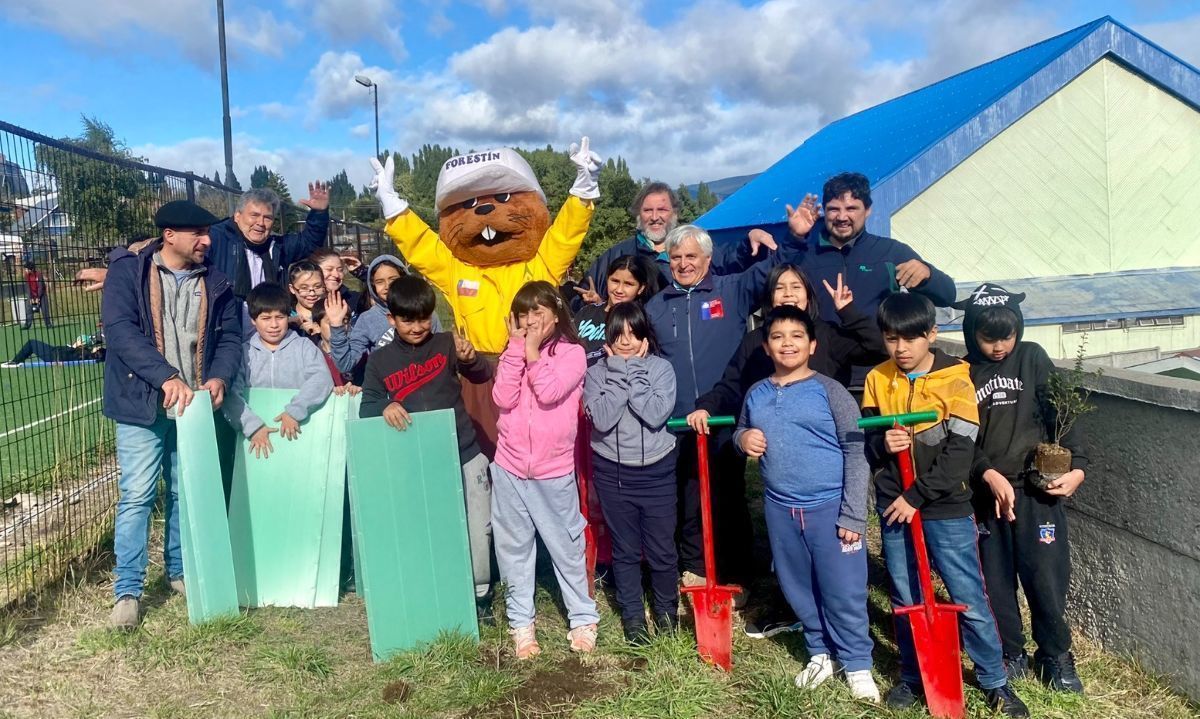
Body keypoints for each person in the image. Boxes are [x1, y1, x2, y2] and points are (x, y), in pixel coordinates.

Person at [861, 292, 1028, 717]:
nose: (901, 349)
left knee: (967, 594)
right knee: (905, 593)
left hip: (943, 506)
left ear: (931, 335)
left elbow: (961, 450)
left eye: (911, 339)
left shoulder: (956, 378)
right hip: (896, 507)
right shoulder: (877, 379)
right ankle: (913, 675)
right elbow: (867, 441)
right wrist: (883, 442)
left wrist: (916, 496)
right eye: (891, 339)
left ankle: (994, 680)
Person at [644, 218, 808, 597]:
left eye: (692, 256)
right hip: (680, 421)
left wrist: (796, 234)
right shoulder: (656, 306)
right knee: (688, 497)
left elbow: (776, 265)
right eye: (677, 257)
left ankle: (737, 573)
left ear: (707, 257)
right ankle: (695, 568)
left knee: (729, 496)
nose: (684, 263)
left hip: (726, 416)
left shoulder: (731, 289)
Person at [101, 200, 242, 629]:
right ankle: (128, 591)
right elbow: (121, 331)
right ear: (169, 236)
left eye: (207, 233)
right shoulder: (129, 273)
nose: (206, 241)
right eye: (198, 234)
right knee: (138, 496)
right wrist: (165, 376)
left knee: (185, 492)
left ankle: (179, 572)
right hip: (140, 403)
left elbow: (232, 338)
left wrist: (218, 376)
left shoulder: (217, 282)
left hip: (193, 405)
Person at [734, 305, 879, 702]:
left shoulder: (830, 392)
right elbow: (742, 428)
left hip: (830, 507)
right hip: (781, 508)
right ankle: (819, 652)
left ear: (812, 345)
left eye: (797, 336)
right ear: (766, 346)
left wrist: (852, 512)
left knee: (843, 588)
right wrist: (742, 439)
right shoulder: (757, 392)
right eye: (778, 337)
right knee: (797, 585)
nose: (787, 344)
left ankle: (857, 662)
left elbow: (855, 453)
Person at [959, 283, 1087, 693]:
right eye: (988, 338)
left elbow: (1063, 412)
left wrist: (1078, 467)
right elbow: (960, 440)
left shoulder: (1032, 358)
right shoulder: (962, 372)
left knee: (1045, 577)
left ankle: (1054, 654)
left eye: (1007, 336)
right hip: (988, 495)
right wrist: (986, 473)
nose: (999, 347)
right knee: (994, 581)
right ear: (971, 333)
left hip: (1036, 494)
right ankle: (1009, 652)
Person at [358, 275, 496, 616]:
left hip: (465, 452)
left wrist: (470, 358)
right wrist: (384, 406)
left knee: (479, 527)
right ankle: (437, 588)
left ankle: (481, 595)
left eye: (423, 318)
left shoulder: (448, 343)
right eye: (407, 319)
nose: (417, 326)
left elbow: (482, 375)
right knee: (431, 528)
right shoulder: (380, 361)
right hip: (417, 460)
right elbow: (367, 406)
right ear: (391, 319)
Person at [491, 281, 598, 658]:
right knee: (514, 547)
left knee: (565, 546)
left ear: (556, 314)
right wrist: (517, 352)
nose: (531, 319)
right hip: (509, 467)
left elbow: (551, 392)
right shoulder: (512, 353)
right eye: (524, 313)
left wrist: (533, 353)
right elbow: (502, 397)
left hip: (553, 470)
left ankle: (583, 617)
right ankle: (522, 624)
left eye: (539, 311)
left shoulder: (573, 354)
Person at [582, 302, 678, 644]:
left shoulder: (662, 370)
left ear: (644, 336)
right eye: (618, 333)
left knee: (662, 550)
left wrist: (634, 371)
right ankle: (633, 617)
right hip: (613, 472)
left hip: (657, 470)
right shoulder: (594, 373)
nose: (625, 340)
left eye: (633, 333)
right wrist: (618, 373)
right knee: (624, 549)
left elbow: (654, 414)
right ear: (608, 336)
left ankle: (667, 613)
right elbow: (604, 419)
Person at [751, 172, 956, 327]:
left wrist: (927, 275)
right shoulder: (801, 256)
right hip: (817, 370)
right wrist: (794, 237)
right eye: (833, 209)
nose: (842, 217)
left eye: (851, 209)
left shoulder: (890, 252)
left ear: (867, 210)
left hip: (876, 371)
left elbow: (947, 295)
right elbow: (760, 289)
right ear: (823, 210)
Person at [575, 182, 771, 306]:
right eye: (647, 210)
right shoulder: (618, 254)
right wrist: (594, 304)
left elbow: (730, 262)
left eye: (662, 209)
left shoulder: (692, 247)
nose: (654, 217)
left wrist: (749, 241)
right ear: (638, 214)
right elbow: (584, 295)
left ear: (674, 213)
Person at [220, 283, 334, 459]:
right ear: (252, 320)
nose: (273, 325)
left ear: (288, 317)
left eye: (279, 317)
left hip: (301, 435)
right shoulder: (243, 352)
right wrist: (252, 426)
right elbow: (231, 393)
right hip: (253, 440)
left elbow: (321, 380)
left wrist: (295, 411)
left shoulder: (304, 347)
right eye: (266, 318)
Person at [340, 255, 441, 380]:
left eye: (393, 279)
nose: (387, 286)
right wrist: (336, 327)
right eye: (380, 282)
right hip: (387, 391)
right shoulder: (367, 319)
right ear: (373, 286)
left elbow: (441, 352)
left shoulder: (425, 312)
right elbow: (346, 365)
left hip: (426, 385)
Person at [574, 254, 654, 366]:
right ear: (607, 279)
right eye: (615, 281)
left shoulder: (642, 320)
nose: (619, 290)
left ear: (640, 288)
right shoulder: (585, 312)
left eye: (628, 284)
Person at [4, 326, 104, 367]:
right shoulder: (85, 352)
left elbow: (67, 354)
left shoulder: (82, 352)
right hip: (55, 352)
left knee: (31, 343)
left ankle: (16, 361)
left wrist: (74, 347)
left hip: (53, 354)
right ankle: (18, 360)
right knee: (32, 344)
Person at [22, 261, 51, 329]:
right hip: (32, 294)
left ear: (31, 269)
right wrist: (31, 297)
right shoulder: (27, 276)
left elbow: (40, 286)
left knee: (45, 309)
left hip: (42, 294)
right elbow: (28, 287)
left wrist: (38, 297)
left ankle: (48, 324)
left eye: (26, 269)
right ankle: (27, 325)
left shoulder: (38, 274)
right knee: (29, 309)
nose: (25, 270)